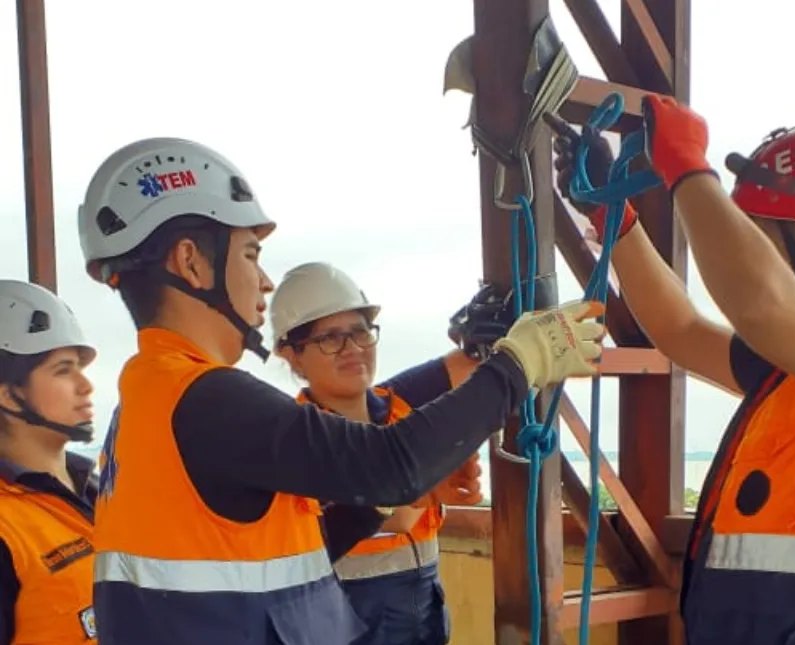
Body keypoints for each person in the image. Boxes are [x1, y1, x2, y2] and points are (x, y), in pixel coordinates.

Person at [76, 137, 605, 645]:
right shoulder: (205, 398)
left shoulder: (153, 399)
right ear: (191, 261)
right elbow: (391, 463)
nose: (263, 281)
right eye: (250, 254)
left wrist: (378, 507)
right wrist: (522, 362)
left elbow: (296, 550)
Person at [546, 99, 795, 644]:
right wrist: (615, 221)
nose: (745, 263)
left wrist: (688, 168)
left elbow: (761, 304)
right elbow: (681, 332)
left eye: (757, 243)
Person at [270, 261, 519, 645]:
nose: (352, 349)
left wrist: (486, 334)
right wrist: (433, 480)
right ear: (291, 354)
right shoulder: (297, 438)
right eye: (330, 339)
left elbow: (474, 365)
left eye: (359, 332)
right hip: (348, 627)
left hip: (424, 619)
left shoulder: (400, 402)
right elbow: (396, 513)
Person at [0, 280, 99, 644]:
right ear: (10, 395)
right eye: (63, 370)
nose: (85, 385)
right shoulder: (7, 527)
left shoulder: (104, 491)